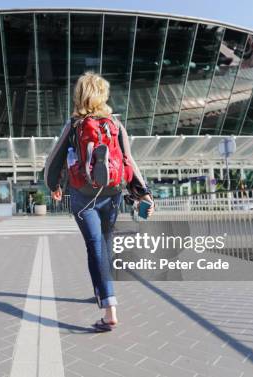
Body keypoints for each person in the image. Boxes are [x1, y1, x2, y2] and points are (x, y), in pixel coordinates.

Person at [44, 71, 154, 332]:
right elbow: (128, 160)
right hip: (113, 193)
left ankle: (109, 308)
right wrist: (143, 191)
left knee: (94, 246)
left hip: (83, 195)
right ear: (103, 95)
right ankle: (103, 292)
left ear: (79, 95)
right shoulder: (115, 125)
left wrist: (54, 185)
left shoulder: (75, 125)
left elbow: (54, 159)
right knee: (105, 242)